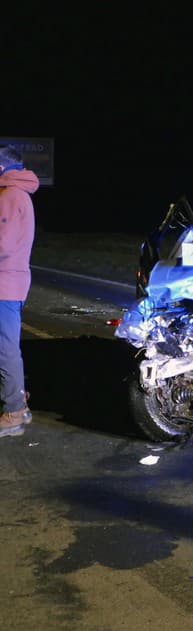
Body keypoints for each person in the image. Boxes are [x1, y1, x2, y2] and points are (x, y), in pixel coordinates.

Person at [0, 145, 39, 437]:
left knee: (5, 348)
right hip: (10, 282)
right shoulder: (14, 194)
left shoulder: (10, 195)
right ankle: (18, 403)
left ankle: (13, 412)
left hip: (5, 283)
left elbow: (4, 245)